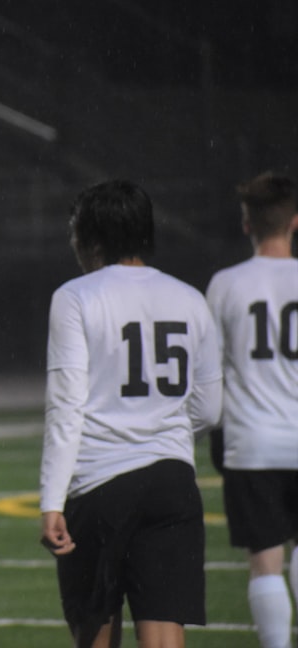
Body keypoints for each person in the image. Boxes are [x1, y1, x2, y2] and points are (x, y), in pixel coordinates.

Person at [39, 180, 223, 647]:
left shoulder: (75, 296)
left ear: (92, 238)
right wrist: (160, 430)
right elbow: (209, 408)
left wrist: (51, 500)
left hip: (99, 486)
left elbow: (66, 407)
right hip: (172, 483)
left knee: (96, 637)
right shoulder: (190, 298)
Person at [205, 171, 298, 648]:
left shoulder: (226, 284)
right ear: (294, 223)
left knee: (265, 562)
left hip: (253, 443)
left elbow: (210, 370)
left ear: (247, 224)